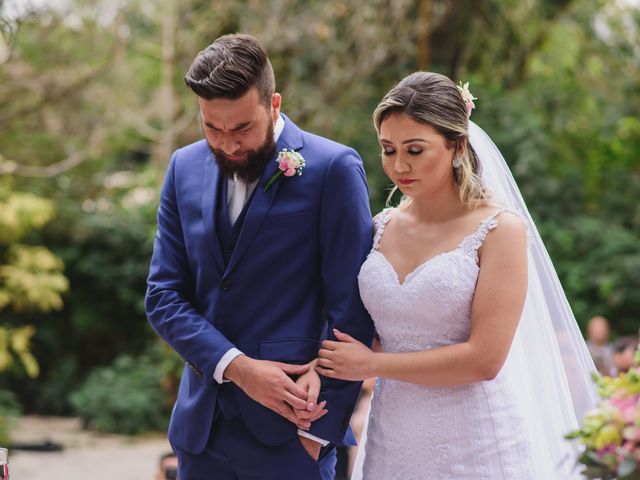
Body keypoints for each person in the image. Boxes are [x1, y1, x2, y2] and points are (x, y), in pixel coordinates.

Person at [313, 72, 599, 479]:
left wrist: (374, 364)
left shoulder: (500, 230)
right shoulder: (378, 227)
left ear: (457, 145)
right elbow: (367, 326)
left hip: (474, 439)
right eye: (388, 149)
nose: (398, 165)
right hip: (392, 435)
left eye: (415, 150)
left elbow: (485, 359)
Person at [145, 33, 375, 480]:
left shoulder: (333, 169)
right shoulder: (183, 167)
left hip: (292, 436)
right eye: (212, 128)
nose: (228, 144)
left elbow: (352, 307)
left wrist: (317, 436)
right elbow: (163, 296)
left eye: (242, 129)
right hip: (201, 436)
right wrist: (238, 368)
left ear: (273, 104)